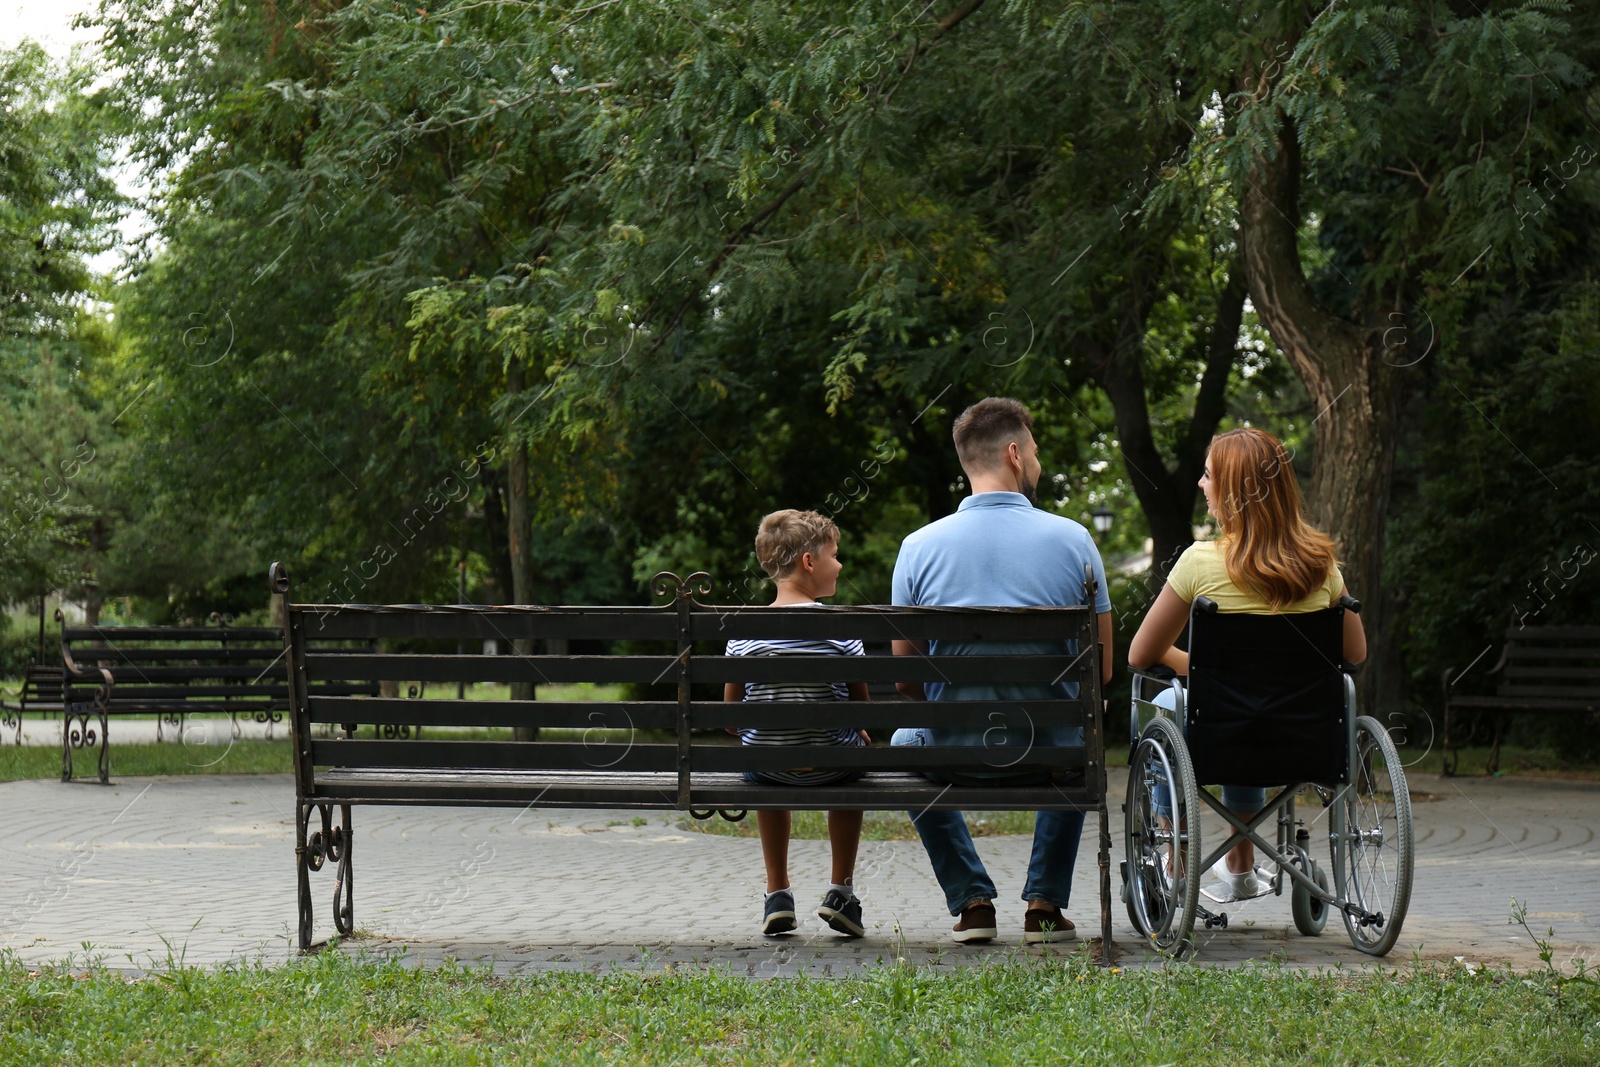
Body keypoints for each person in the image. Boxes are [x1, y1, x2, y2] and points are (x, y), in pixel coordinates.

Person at [890, 397, 1113, 944]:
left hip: (954, 754)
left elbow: (904, 677)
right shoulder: (1074, 540)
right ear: (1014, 454)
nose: (1037, 462)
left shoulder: (917, 548)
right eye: (1034, 451)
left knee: (902, 738)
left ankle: (972, 903)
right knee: (1080, 727)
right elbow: (1100, 669)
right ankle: (1044, 905)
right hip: (1050, 753)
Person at [1128, 427, 1367, 900]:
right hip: (1304, 734)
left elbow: (1141, 655)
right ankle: (1240, 865)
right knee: (1247, 709)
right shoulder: (1323, 566)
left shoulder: (1200, 563)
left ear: (1235, 491)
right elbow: (1354, 655)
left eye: (1208, 475)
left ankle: (1175, 853)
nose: (1200, 484)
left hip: (1224, 727)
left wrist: (1212, 674)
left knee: (1163, 701)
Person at [725, 509, 871, 938]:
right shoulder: (841, 628)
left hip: (768, 768)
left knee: (765, 751)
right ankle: (841, 891)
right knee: (851, 754)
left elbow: (732, 720)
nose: (840, 564)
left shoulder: (743, 632)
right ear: (810, 562)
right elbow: (862, 712)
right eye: (834, 555)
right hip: (835, 767)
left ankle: (777, 896)